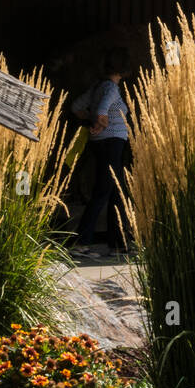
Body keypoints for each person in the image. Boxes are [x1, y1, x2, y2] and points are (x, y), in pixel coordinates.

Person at [71, 48, 130, 256]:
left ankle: (118, 244)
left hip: (100, 143)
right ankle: (81, 242)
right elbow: (102, 111)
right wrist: (100, 122)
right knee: (103, 191)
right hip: (111, 143)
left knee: (116, 192)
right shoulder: (112, 89)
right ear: (123, 69)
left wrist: (92, 122)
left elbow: (76, 106)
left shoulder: (98, 86)